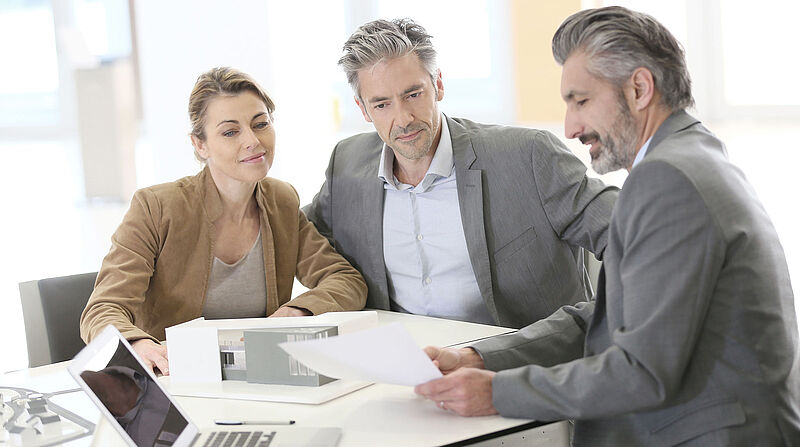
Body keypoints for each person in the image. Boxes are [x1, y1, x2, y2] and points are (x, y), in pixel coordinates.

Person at [415, 7, 800, 445]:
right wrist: (478, 358)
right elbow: (608, 316)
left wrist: (498, 394)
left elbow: (641, 371)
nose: (570, 126)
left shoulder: (669, 179)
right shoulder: (690, 158)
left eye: (580, 100)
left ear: (639, 88)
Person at [303, 19, 618, 328]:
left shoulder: (527, 155)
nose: (404, 118)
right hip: (403, 366)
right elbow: (291, 235)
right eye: (382, 105)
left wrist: (610, 323)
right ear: (362, 108)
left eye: (413, 94)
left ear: (438, 84)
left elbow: (629, 230)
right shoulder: (347, 163)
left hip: (516, 366)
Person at [80, 67, 367, 375]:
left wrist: (298, 310)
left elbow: (345, 279)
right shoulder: (156, 208)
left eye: (260, 124)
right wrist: (139, 345)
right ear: (200, 145)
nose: (253, 141)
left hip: (260, 375)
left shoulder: (280, 201)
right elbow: (101, 310)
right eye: (230, 132)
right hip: (174, 378)